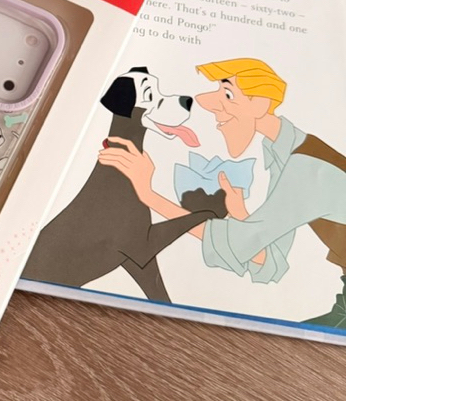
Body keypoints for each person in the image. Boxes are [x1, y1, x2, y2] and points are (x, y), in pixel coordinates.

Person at [98, 58, 345, 311]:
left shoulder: (304, 166)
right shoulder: (283, 150)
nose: (208, 103)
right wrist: (242, 216)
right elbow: (270, 260)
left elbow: (239, 243)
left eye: (228, 94)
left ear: (260, 103)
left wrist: (147, 194)